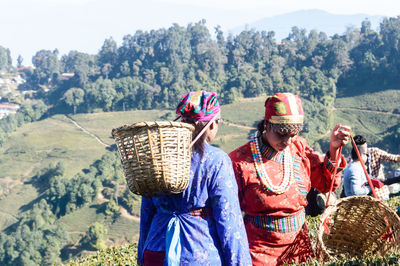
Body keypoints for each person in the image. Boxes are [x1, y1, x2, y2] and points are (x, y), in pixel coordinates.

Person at [229, 92, 350, 265]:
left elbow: (324, 183)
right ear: (267, 125)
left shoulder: (299, 147)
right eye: (281, 133)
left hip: (300, 249)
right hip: (259, 254)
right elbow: (227, 214)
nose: (287, 141)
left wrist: (334, 149)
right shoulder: (239, 161)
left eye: (292, 134)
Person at [137, 91, 252, 266]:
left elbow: (147, 213)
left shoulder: (158, 156)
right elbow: (229, 221)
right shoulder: (216, 160)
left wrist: (141, 255)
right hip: (198, 253)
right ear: (212, 125)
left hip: (156, 250)